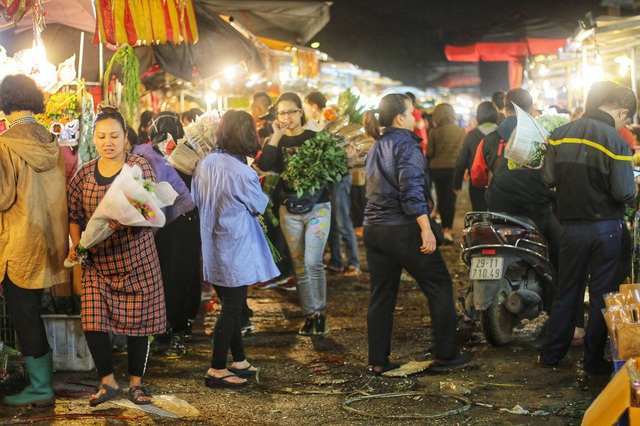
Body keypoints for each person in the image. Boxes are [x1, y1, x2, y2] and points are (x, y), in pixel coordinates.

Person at [362, 93, 473, 375]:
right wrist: (426, 228)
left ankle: (378, 361)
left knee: (382, 295)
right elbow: (411, 189)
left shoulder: (376, 146)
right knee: (439, 285)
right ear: (400, 118)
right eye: (412, 113)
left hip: (375, 230)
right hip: (403, 229)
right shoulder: (407, 146)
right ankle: (446, 354)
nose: (415, 118)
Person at [67, 106, 167, 406]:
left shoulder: (139, 168)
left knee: (140, 324)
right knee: (93, 322)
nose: (107, 142)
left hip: (137, 260)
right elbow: (74, 214)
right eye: (101, 136)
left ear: (126, 139)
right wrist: (77, 245)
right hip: (97, 263)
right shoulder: (84, 173)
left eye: (114, 135)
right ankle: (107, 381)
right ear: (93, 140)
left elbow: (151, 210)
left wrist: (127, 219)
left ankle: (137, 384)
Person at [539, 86, 637, 375]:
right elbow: (623, 192)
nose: (625, 125)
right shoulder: (615, 142)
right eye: (626, 119)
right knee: (601, 296)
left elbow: (548, 177)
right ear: (621, 112)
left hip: (569, 228)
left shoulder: (559, 134)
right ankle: (593, 361)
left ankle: (551, 355)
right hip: (605, 229)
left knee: (566, 290)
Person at [192, 110, 279, 388]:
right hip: (235, 246)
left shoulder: (205, 163)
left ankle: (239, 360)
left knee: (233, 304)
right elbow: (258, 205)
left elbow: (196, 198)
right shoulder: (242, 171)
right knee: (231, 308)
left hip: (212, 245)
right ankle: (217, 367)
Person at [0, 74, 68, 407]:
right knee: (32, 311)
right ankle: (40, 381)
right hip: (49, 239)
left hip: (18, 243)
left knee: (23, 314)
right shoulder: (48, 139)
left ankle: (41, 386)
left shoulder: (6, 142)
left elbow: (1, 197)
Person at [258, 92, 332, 335]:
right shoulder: (276, 140)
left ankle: (320, 312)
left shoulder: (315, 137)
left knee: (313, 262)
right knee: (299, 265)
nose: (287, 116)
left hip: (318, 207)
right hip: (288, 210)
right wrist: (277, 135)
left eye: (292, 111)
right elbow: (266, 165)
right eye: (282, 112)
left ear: (301, 111)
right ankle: (310, 314)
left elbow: (333, 170)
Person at [130, 123, 200, 360]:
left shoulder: (143, 157)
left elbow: (152, 201)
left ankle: (178, 332)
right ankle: (169, 327)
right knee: (166, 276)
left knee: (175, 276)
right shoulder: (135, 157)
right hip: (166, 220)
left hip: (180, 219)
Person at [470, 88, 561, 269]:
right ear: (532, 109)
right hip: (536, 207)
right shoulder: (544, 137)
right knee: (560, 246)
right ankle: (557, 291)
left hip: (499, 207)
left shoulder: (488, 140)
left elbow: (477, 177)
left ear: (505, 109)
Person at [426, 103, 466, 243]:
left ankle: (442, 228)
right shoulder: (460, 131)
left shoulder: (434, 132)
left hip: (436, 169)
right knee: (450, 200)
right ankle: (447, 230)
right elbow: (462, 153)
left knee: (441, 198)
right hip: (453, 169)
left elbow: (429, 152)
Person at [453, 101, 498, 212]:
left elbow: (461, 160)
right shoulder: (501, 133)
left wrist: (457, 183)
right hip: (498, 181)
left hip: (477, 182)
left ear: (478, 116)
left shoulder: (471, 135)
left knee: (479, 213)